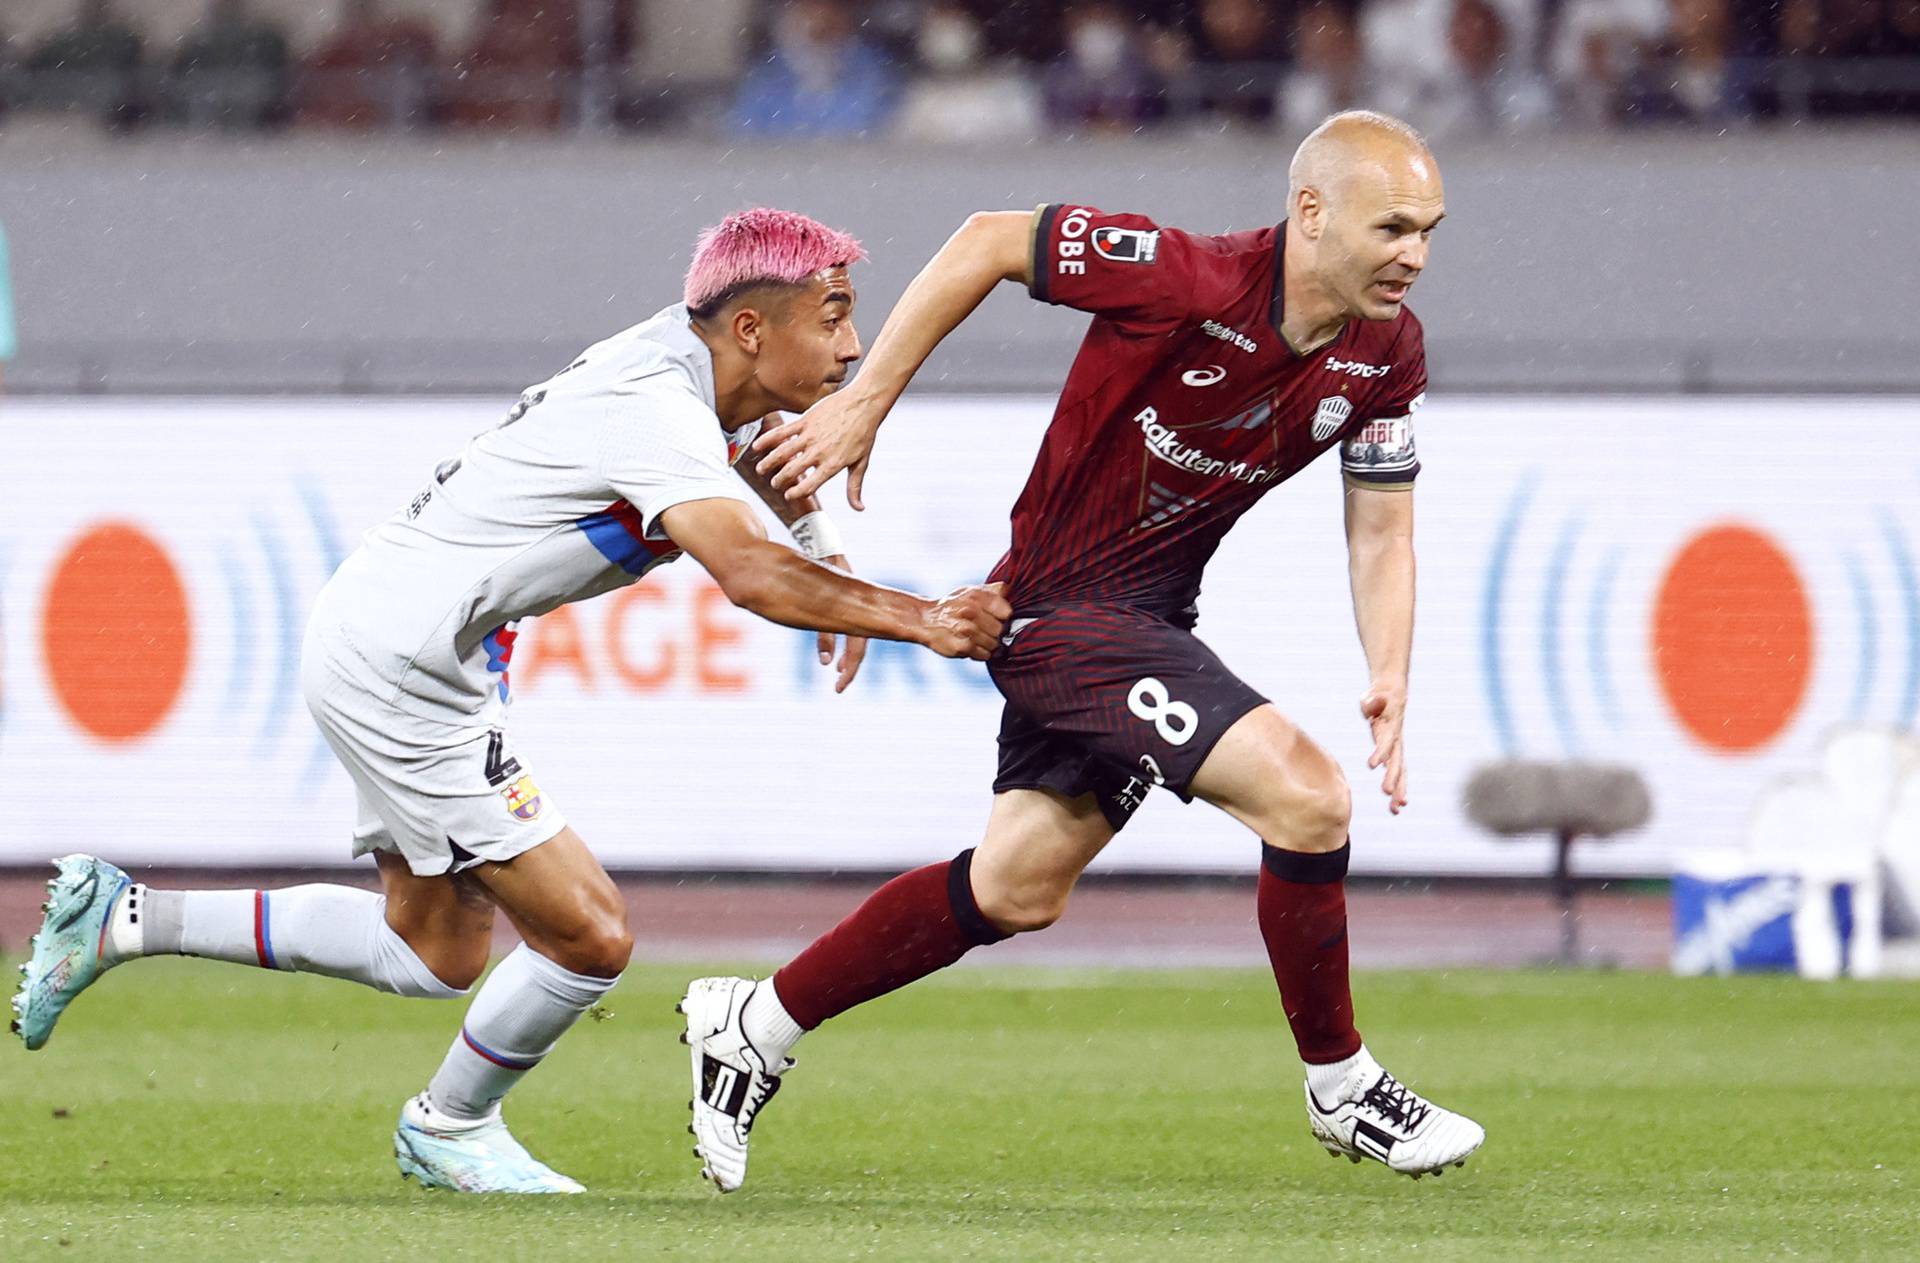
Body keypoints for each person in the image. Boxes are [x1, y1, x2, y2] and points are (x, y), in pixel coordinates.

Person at [10, 208, 1011, 1195]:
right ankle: (449, 1127)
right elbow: (745, 574)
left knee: (433, 949)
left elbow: (757, 466)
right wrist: (922, 619)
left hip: (410, 638)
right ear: (751, 328)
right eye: (833, 315)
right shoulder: (655, 405)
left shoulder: (694, 375)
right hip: (402, 661)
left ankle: (124, 917)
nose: (854, 345)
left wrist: (822, 545)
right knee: (589, 934)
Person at [683, 111, 1485, 1191]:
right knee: (1307, 798)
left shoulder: (1391, 352)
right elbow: (985, 238)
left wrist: (1388, 667)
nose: (1415, 256)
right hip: (1062, 613)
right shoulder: (1185, 279)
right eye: (1393, 227)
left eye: (1429, 230)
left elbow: (1384, 524)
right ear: (1311, 211)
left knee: (1017, 888)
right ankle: (1341, 1085)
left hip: (1144, 622)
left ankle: (756, 1021)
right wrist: (868, 399)